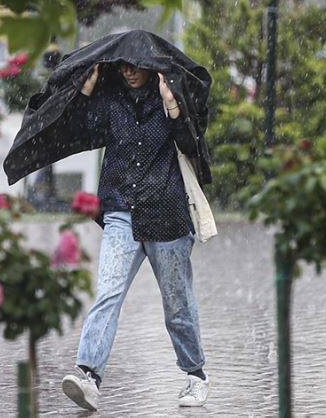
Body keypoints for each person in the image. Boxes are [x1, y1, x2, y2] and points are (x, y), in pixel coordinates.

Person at [60, 61, 210, 411]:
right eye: (124, 67)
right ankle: (88, 376)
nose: (129, 73)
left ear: (150, 67)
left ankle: (196, 374)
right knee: (108, 293)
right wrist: (87, 88)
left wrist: (171, 103)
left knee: (177, 305)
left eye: (136, 67)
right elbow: (82, 132)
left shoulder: (169, 98)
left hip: (168, 216)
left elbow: (191, 144)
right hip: (120, 213)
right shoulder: (111, 101)